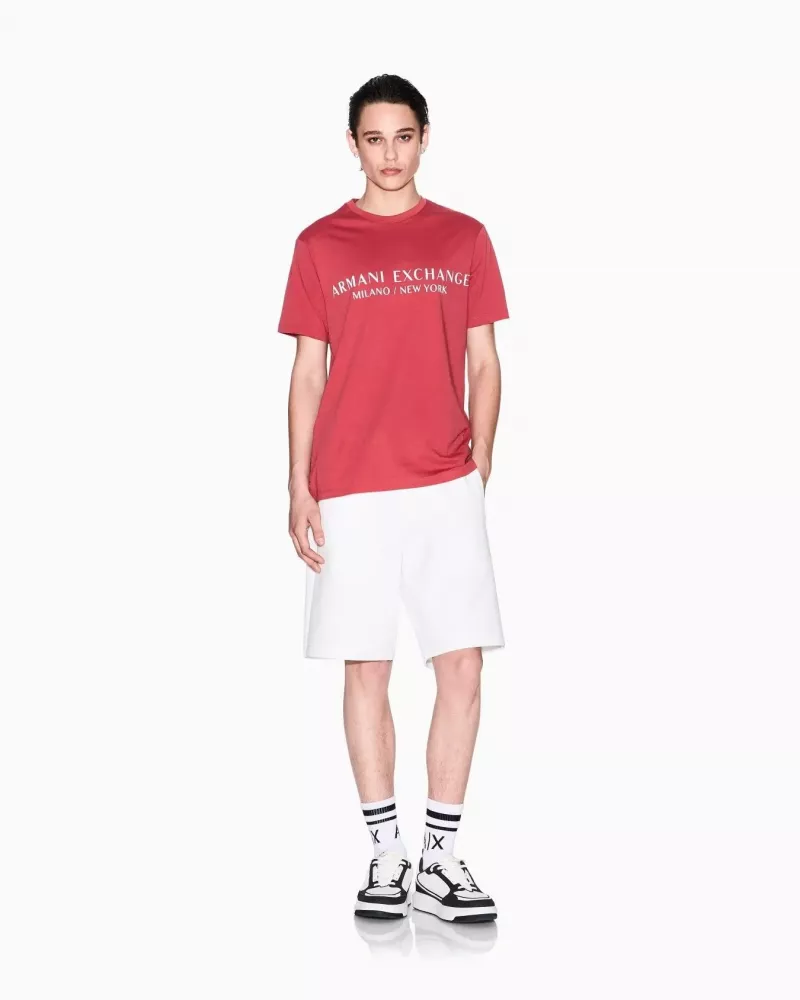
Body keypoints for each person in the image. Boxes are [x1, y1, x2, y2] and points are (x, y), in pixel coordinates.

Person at [277, 74, 509, 924]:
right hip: (351, 487)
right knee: (365, 665)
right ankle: (386, 852)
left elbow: (484, 360)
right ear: (353, 144)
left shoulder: (464, 237)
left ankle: (440, 858)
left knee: (463, 662)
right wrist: (299, 483)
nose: (389, 154)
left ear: (424, 138)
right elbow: (308, 373)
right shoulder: (320, 245)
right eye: (374, 139)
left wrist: (479, 458)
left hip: (443, 481)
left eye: (403, 137)